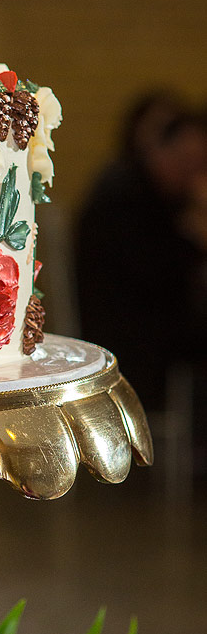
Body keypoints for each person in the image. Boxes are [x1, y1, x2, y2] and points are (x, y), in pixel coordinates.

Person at [76, 93, 207, 409]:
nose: (195, 177)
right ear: (162, 152)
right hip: (128, 342)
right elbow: (159, 279)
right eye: (188, 164)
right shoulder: (126, 199)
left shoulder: (145, 193)